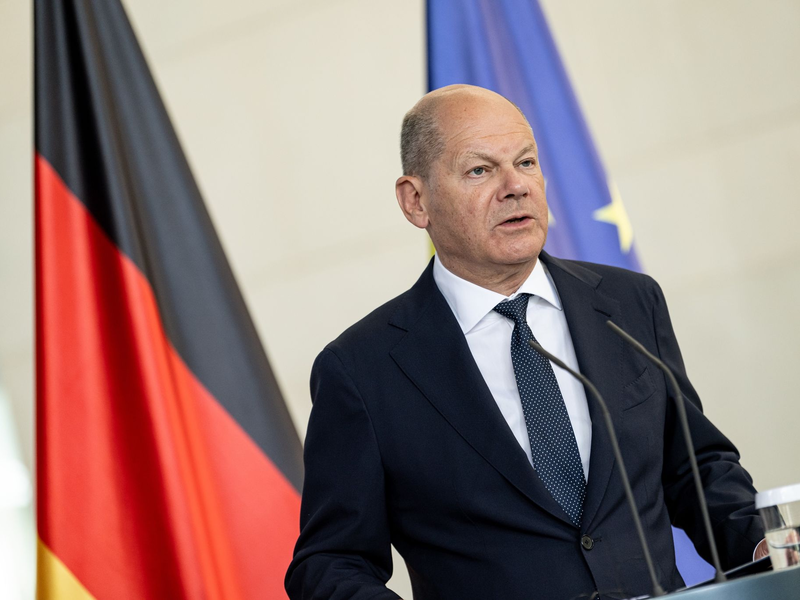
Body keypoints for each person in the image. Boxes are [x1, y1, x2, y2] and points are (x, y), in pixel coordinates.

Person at [285, 85, 765, 600]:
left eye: (527, 162)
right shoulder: (363, 368)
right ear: (416, 200)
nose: (516, 186)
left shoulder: (628, 303)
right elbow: (331, 562)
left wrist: (764, 547)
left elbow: (696, 470)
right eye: (480, 170)